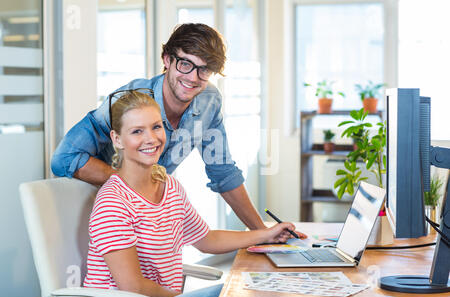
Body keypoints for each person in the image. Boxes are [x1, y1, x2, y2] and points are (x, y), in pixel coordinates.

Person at [51, 23, 304, 236]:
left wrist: (263, 234)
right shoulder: (130, 100)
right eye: (185, 64)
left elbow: (223, 173)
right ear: (167, 60)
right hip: (109, 210)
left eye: (204, 69)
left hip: (153, 211)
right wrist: (136, 183)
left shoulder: (208, 101)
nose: (193, 78)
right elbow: (64, 158)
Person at [83, 89, 297, 297]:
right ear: (117, 139)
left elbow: (207, 239)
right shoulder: (112, 203)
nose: (151, 139)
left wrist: (267, 234)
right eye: (137, 131)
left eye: (156, 127)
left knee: (253, 292)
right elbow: (133, 287)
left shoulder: (170, 187)